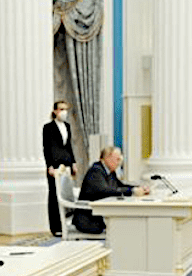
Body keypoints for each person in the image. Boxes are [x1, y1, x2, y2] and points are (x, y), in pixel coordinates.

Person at [73, 146, 149, 234]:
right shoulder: (96, 170)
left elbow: (120, 185)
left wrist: (138, 188)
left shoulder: (109, 171)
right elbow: (105, 191)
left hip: (99, 216)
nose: (119, 162)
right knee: (123, 226)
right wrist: (132, 191)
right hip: (89, 219)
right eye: (117, 159)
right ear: (107, 158)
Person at [43, 101, 77, 237]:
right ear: (55, 111)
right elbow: (46, 148)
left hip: (66, 164)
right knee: (54, 195)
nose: (64, 112)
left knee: (65, 193)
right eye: (61, 109)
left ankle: (64, 224)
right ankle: (55, 226)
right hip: (55, 165)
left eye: (66, 109)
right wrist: (49, 165)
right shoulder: (48, 127)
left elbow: (69, 146)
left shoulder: (67, 126)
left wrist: (73, 162)